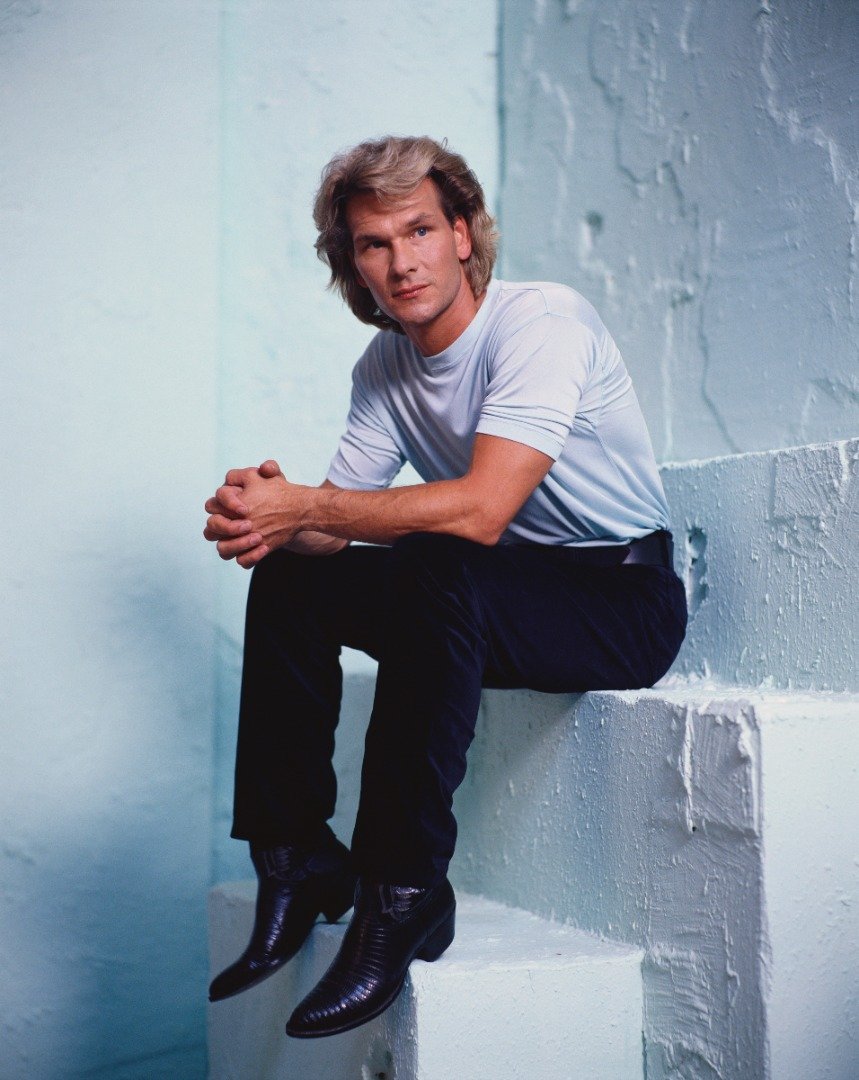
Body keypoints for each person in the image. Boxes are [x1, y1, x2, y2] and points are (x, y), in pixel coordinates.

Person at [203, 135, 687, 1039]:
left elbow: (481, 510)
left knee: (441, 552)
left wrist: (312, 503)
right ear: (353, 263)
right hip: (490, 591)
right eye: (373, 244)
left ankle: (402, 888)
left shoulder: (541, 323)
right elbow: (334, 527)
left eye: (418, 230)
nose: (400, 262)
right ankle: (298, 857)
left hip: (619, 603)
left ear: (462, 234)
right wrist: (264, 514)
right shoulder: (385, 367)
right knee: (291, 579)